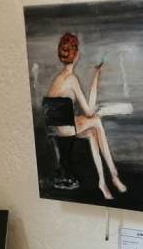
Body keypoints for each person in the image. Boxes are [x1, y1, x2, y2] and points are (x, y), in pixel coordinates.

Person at [44, 32, 126, 200]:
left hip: (57, 128)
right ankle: (114, 175)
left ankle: (102, 183)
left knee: (92, 133)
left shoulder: (58, 78)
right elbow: (89, 111)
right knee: (97, 121)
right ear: (76, 55)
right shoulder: (71, 79)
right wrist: (96, 78)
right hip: (65, 129)